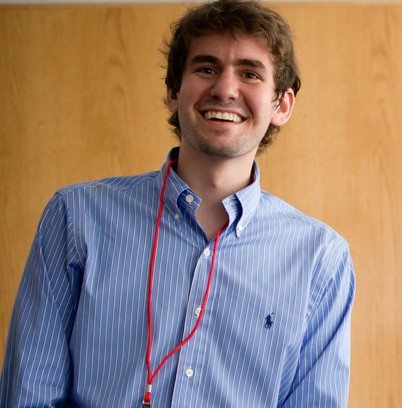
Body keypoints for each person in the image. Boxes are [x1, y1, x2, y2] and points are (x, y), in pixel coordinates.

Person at [0, 0, 355, 406]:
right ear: (172, 91)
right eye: (206, 69)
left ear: (282, 105)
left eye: (249, 73)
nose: (225, 89)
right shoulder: (75, 217)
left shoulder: (321, 260)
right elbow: (28, 395)